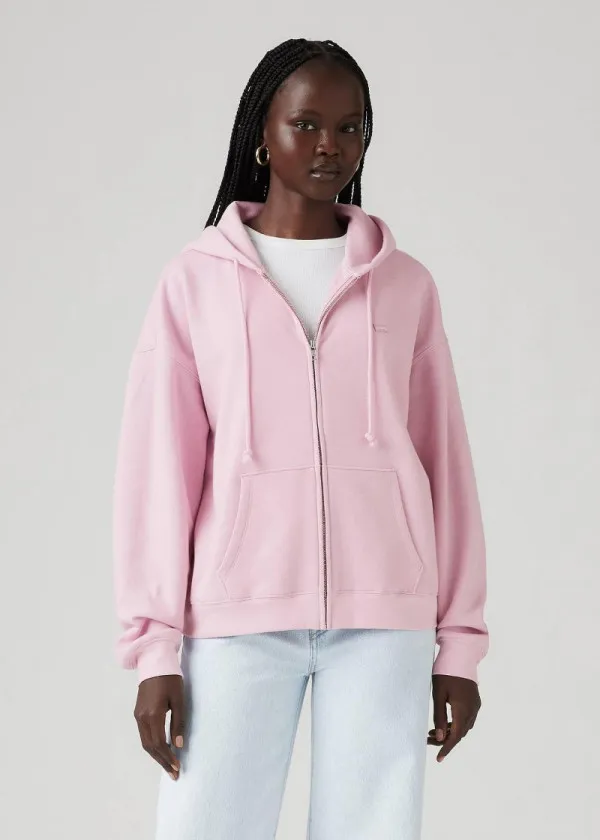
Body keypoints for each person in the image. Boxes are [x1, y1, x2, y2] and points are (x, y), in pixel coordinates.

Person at [112, 37, 489, 840]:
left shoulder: (405, 284)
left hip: (384, 620)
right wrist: (155, 651)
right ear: (263, 133)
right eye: (307, 124)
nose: (330, 146)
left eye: (350, 128)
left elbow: (444, 465)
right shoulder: (194, 281)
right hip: (233, 618)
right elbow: (158, 473)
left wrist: (457, 645)